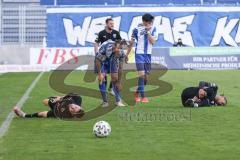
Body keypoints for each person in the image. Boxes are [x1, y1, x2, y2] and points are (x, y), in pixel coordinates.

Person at [125, 13, 158, 103]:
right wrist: (127, 54)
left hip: (148, 55)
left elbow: (153, 42)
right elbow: (131, 43)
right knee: (142, 75)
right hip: (139, 54)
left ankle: (137, 92)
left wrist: (148, 32)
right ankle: (143, 97)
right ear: (143, 21)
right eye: (147, 22)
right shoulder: (136, 30)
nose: (149, 23)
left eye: (150, 22)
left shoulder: (153, 29)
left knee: (146, 78)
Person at [94, 18, 122, 96]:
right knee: (104, 75)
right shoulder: (101, 33)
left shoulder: (116, 33)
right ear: (106, 24)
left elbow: (119, 43)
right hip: (103, 57)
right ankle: (104, 92)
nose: (112, 25)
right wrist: (96, 52)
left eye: (113, 24)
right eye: (110, 23)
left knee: (114, 75)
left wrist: (118, 50)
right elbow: (96, 43)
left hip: (113, 58)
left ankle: (111, 88)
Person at [95, 39, 126, 107]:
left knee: (115, 79)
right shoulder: (105, 47)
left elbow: (120, 68)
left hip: (112, 60)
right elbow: (97, 60)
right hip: (101, 61)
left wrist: (119, 82)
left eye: (120, 49)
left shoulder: (121, 53)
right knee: (101, 79)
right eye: (117, 49)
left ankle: (118, 101)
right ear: (114, 46)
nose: (119, 51)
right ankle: (105, 101)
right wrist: (100, 74)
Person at [13, 93, 84, 119]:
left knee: (43, 111)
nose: (74, 107)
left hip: (57, 106)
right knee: (46, 102)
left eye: (73, 110)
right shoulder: (78, 99)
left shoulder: (63, 112)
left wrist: (57, 100)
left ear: (72, 113)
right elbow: (71, 94)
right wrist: (62, 97)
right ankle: (55, 97)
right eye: (76, 107)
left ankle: (23, 115)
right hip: (61, 100)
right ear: (80, 106)